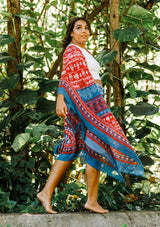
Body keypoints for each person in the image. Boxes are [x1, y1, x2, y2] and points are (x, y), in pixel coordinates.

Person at [37, 17, 144, 214]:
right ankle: (89, 200)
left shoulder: (84, 51)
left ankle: (48, 192)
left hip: (92, 100)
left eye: (87, 28)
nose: (84, 31)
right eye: (79, 28)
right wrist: (60, 99)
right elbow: (66, 76)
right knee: (95, 143)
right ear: (71, 32)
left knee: (76, 146)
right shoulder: (72, 50)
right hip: (84, 103)